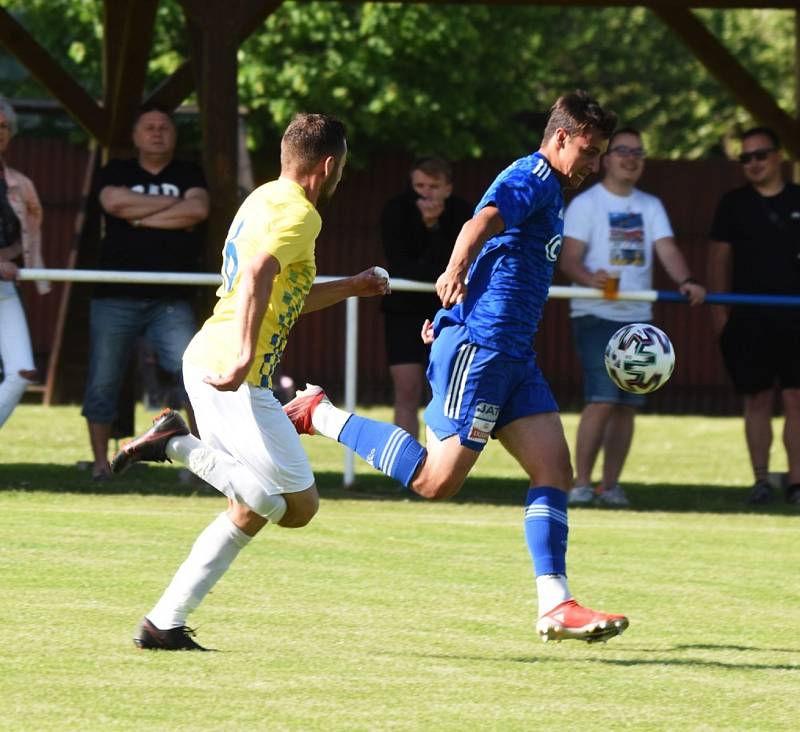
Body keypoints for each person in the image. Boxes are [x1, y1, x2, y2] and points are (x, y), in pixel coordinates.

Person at [284, 91, 630, 644]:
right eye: (588, 152)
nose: (593, 166)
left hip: (514, 355)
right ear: (560, 138)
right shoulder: (535, 175)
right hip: (484, 351)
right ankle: (318, 413)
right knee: (435, 481)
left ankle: (555, 604)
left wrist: (458, 301)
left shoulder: (554, 189)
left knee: (555, 472)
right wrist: (454, 274)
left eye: (600, 155)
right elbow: (482, 221)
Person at [110, 113, 389, 650]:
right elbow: (260, 271)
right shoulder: (303, 216)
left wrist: (351, 286)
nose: (342, 178)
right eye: (343, 168)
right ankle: (176, 443)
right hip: (231, 372)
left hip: (216, 364)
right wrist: (243, 356)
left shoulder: (262, 198)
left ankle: (163, 623)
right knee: (295, 506)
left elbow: (283, 294)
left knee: (252, 506)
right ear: (328, 165)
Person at [559, 127, 706, 508]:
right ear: (606, 158)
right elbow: (569, 258)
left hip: (639, 320)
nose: (631, 158)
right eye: (623, 151)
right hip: (596, 314)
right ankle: (581, 484)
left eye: (638, 153)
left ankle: (611, 486)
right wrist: (589, 277)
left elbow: (667, 249)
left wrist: (687, 280)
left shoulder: (650, 206)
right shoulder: (587, 204)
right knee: (604, 398)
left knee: (628, 404)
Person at [82, 104, 209, 480]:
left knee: (195, 378)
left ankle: (204, 464)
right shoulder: (115, 171)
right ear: (136, 137)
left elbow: (198, 210)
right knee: (103, 379)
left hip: (171, 299)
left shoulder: (189, 172)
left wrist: (137, 217)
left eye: (164, 127)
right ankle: (101, 464)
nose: (157, 132)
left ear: (174, 136)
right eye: (149, 127)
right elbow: (113, 203)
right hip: (114, 294)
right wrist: (174, 207)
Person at [708, 126, 800, 505]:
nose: (753, 164)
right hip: (747, 321)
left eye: (760, 155)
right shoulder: (733, 204)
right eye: (745, 158)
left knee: (796, 399)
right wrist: (721, 320)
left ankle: (796, 483)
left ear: (778, 157)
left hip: (795, 317)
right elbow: (717, 262)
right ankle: (761, 481)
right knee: (757, 400)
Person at [380, 156, 472, 437]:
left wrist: (433, 226)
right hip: (404, 311)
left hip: (447, 309)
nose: (426, 192)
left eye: (434, 186)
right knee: (406, 390)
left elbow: (461, 262)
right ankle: (405, 470)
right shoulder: (396, 210)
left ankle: (439, 468)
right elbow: (401, 265)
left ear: (448, 188)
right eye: (419, 185)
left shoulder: (463, 214)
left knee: (447, 390)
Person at [0, 97, 50, 429]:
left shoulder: (19, 183)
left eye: (3, 126)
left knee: (20, 372)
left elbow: (28, 236)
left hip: (5, 286)